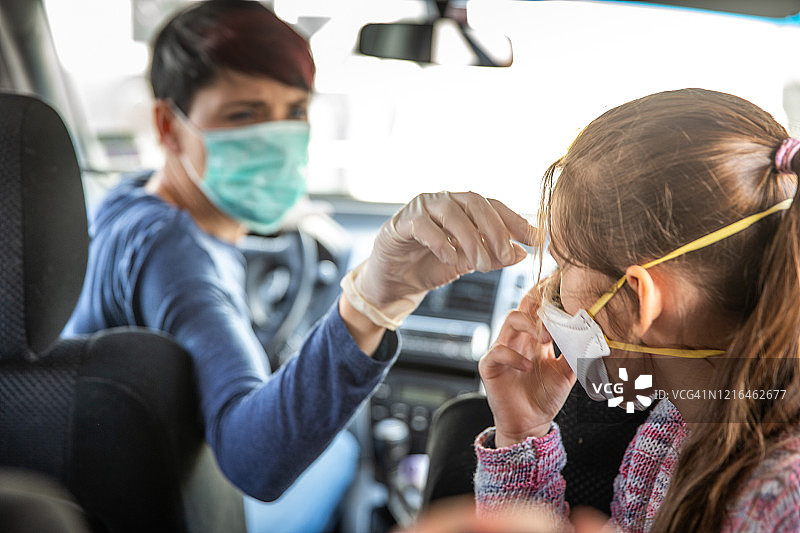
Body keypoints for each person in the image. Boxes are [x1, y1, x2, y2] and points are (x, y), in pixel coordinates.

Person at [61, 1, 536, 532]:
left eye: (295, 111)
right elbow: (254, 458)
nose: (278, 137)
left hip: (101, 486)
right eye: (244, 115)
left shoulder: (126, 202)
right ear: (167, 126)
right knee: (344, 449)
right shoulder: (181, 256)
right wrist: (370, 305)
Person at [474, 88, 800, 532]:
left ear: (641, 299)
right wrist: (523, 433)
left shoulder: (782, 501)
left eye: (566, 264)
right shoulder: (677, 422)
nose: (545, 290)